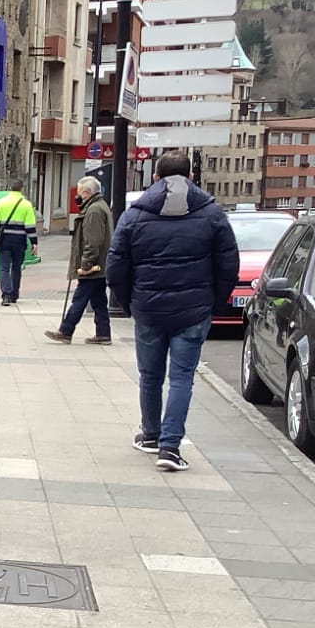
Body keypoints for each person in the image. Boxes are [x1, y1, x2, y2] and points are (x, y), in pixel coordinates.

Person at [106, 152, 239, 473]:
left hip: (148, 310)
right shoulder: (211, 213)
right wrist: (213, 304)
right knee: (181, 378)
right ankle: (170, 446)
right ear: (191, 177)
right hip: (193, 311)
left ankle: (150, 435)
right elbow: (228, 264)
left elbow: (115, 266)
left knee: (150, 376)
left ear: (155, 177)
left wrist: (130, 304)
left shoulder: (135, 215)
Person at [45, 176, 114, 345]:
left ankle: (66, 330)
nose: (77, 196)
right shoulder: (99, 206)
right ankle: (103, 333)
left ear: (86, 192)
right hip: (100, 264)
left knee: (80, 298)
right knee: (99, 300)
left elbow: (93, 240)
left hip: (93, 266)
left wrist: (86, 264)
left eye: (79, 192)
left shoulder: (94, 211)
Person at [0, 181, 39, 306]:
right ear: (22, 189)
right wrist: (34, 243)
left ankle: (6, 296)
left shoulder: (0, 203)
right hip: (19, 241)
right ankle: (14, 294)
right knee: (16, 267)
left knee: (4, 268)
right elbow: (30, 226)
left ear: (10, 188)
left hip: (3, 241)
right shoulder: (26, 205)